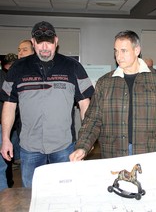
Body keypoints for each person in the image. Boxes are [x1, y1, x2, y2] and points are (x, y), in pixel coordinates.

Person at [0, 21, 94, 188]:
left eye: (48, 42)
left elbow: (85, 104)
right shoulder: (18, 68)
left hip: (64, 147)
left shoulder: (73, 67)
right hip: (30, 148)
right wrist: (6, 139)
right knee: (32, 194)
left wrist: (85, 141)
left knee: (65, 192)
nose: (44, 47)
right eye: (40, 42)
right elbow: (9, 105)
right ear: (33, 42)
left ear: (56, 41)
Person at [70, 30, 156, 161]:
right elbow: (93, 120)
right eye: (116, 51)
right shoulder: (105, 83)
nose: (118, 56)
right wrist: (82, 146)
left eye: (124, 51)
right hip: (114, 153)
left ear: (137, 50)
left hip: (148, 152)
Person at [0, 53, 19, 188]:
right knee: (3, 163)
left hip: (8, 123)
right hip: (5, 123)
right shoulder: (7, 77)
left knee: (5, 159)